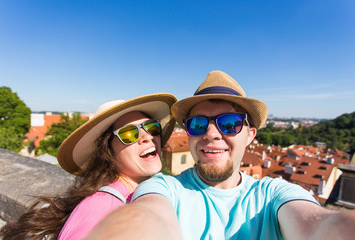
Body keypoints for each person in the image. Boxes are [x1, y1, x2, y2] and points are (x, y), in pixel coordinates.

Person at [85, 70, 355, 240]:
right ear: (188, 133)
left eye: (229, 123)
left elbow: (322, 224)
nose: (211, 134)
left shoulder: (274, 194)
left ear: (250, 134)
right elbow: (144, 218)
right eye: (198, 124)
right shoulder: (164, 187)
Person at [0, 93, 177, 240]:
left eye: (152, 127)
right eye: (129, 134)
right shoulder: (102, 208)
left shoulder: (142, 192)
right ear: (108, 151)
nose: (147, 136)